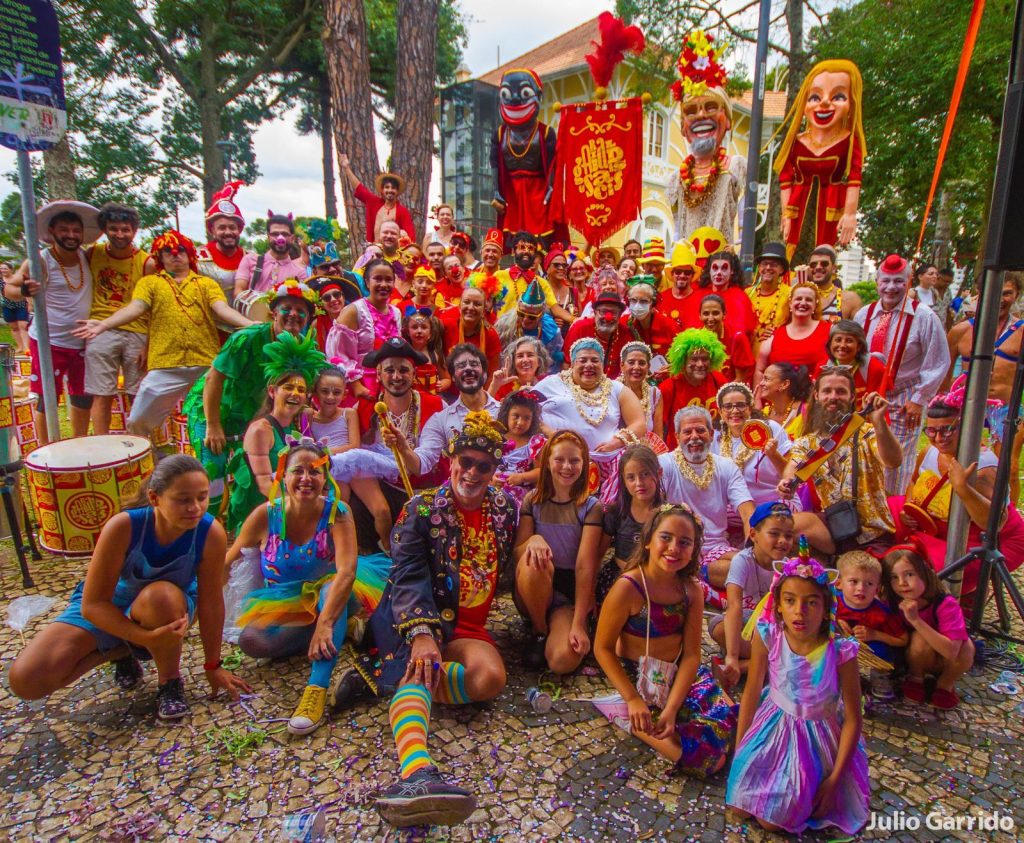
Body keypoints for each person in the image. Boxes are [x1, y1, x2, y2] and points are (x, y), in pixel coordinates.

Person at [332, 412, 517, 828]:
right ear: (450, 460)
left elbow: (515, 549)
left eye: (482, 466)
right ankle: (416, 773)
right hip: (417, 615)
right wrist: (421, 634)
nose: (471, 472)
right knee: (422, 661)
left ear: (493, 470)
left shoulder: (505, 508)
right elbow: (408, 576)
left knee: (491, 680)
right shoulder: (421, 508)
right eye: (464, 462)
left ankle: (383, 674)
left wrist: (537, 539)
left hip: (468, 626)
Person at [8, 456, 251, 719]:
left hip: (167, 607)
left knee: (161, 597)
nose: (195, 507)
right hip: (112, 605)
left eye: (202, 498)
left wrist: (213, 665)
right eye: (183, 499)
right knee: (26, 680)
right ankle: (122, 649)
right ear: (154, 498)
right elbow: (93, 604)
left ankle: (169, 682)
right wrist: (144, 638)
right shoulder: (124, 526)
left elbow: (211, 601)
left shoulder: (209, 532)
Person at [229, 438, 388, 734]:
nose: (306, 478)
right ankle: (344, 630)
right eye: (297, 471)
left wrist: (325, 623)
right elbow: (227, 560)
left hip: (338, 593)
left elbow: (346, 572)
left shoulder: (337, 512)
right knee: (252, 642)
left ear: (325, 478)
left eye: (314, 472)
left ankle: (316, 688)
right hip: (287, 602)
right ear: (284, 475)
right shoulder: (266, 515)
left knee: (329, 592)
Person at [726, 556, 868, 835]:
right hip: (771, 726)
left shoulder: (840, 652)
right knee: (739, 806)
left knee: (773, 819)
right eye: (790, 600)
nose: (799, 612)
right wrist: (741, 748)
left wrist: (836, 779)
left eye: (811, 602)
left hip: (814, 740)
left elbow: (853, 718)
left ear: (826, 606)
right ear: (778, 604)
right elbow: (753, 689)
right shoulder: (768, 636)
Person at [593, 503, 737, 775]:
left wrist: (671, 709)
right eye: (666, 538)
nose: (674, 548)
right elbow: (602, 648)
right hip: (639, 680)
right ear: (648, 541)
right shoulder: (628, 587)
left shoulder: (691, 589)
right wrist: (633, 698)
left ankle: (669, 714)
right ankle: (624, 709)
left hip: (679, 672)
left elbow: (692, 654)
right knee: (706, 761)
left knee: (733, 724)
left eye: (685, 542)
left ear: (694, 549)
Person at [74, 230, 252, 440]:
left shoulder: (205, 284)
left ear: (190, 255)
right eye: (168, 251)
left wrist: (252, 324)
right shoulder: (150, 283)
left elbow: (222, 309)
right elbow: (135, 308)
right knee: (138, 421)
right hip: (166, 365)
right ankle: (147, 461)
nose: (175, 255)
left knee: (212, 420)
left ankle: (208, 465)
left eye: (181, 251)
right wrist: (104, 324)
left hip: (204, 365)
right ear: (159, 256)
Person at [185, 279, 319, 508]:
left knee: (250, 474)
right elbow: (213, 379)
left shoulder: (303, 348)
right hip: (211, 409)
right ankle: (205, 528)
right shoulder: (247, 338)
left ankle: (246, 532)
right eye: (287, 308)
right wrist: (213, 424)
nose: (293, 314)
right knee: (213, 473)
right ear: (273, 313)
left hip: (250, 416)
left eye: (301, 311)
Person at [887, 384, 1024, 599]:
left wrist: (962, 488)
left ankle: (958, 596)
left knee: (921, 570)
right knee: (877, 516)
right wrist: (911, 506)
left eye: (947, 429)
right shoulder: (929, 451)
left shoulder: (984, 468)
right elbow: (914, 481)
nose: (939, 438)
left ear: (967, 426)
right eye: (931, 430)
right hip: (935, 522)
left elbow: (994, 523)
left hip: (981, 537)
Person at [332, 339, 444, 551]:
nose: (396, 377)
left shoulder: (436, 405)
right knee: (355, 509)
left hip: (424, 491)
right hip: (383, 490)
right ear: (379, 374)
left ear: (413, 373)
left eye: (403, 370)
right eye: (389, 370)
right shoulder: (363, 407)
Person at [855, 254, 950, 493]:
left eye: (898, 281)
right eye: (885, 281)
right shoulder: (863, 315)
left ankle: (891, 512)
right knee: (861, 458)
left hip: (904, 397)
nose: (891, 287)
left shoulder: (924, 316)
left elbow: (938, 361)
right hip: (865, 396)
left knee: (895, 462)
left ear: (908, 282)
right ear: (877, 282)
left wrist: (919, 400)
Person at [779, 368, 901, 554]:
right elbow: (794, 465)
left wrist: (879, 422)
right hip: (835, 529)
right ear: (817, 396)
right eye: (827, 391)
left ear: (852, 397)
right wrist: (787, 482)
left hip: (872, 534)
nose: (833, 396)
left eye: (841, 391)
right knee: (780, 528)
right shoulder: (807, 442)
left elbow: (893, 461)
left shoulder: (867, 432)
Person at [7, 200, 100, 441]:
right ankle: (47, 446)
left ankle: (78, 442)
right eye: (64, 230)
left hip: (82, 341)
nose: (71, 235)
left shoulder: (87, 257)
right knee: (48, 395)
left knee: (82, 395)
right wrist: (25, 291)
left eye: (75, 230)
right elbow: (10, 288)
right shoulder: (39, 260)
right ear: (52, 233)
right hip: (49, 341)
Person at [514, 430, 604, 672]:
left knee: (562, 661)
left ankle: (561, 626)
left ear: (584, 464)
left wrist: (577, 623)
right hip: (534, 583)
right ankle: (540, 629)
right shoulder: (532, 501)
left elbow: (586, 565)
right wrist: (534, 539)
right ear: (548, 463)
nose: (566, 467)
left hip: (568, 591)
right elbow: (517, 552)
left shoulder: (591, 507)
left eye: (574, 461)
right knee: (535, 561)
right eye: (559, 460)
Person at [775, 59, 866, 258]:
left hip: (830, 207)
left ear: (851, 103)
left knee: (822, 257)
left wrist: (850, 213)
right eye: (815, 97)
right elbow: (785, 179)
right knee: (791, 256)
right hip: (797, 209)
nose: (825, 102)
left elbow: (854, 178)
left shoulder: (849, 141)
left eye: (838, 96)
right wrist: (786, 215)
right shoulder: (796, 142)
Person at [658, 406, 753, 595]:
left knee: (751, 565)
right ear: (677, 437)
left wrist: (754, 546)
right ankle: (693, 570)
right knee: (744, 570)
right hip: (677, 546)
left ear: (710, 434)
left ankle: (697, 572)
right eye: (687, 432)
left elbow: (746, 508)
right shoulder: (664, 464)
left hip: (715, 547)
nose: (695, 436)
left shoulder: (726, 466)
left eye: (700, 430)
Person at [945, 273, 1024, 501]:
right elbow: (946, 374)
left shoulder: (1020, 332)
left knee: (1008, 469)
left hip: (1006, 408)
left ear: (1016, 295)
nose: (1000, 299)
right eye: (995, 292)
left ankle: (1005, 521)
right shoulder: (961, 331)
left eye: (1007, 293)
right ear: (980, 293)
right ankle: (959, 514)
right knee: (961, 463)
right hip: (967, 405)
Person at [83, 203, 155, 435]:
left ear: (134, 231)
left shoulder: (147, 262)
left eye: (125, 229)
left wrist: (149, 342)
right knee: (102, 392)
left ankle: (140, 443)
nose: (120, 234)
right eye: (114, 228)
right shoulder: (93, 254)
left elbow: (154, 305)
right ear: (105, 229)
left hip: (137, 331)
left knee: (139, 393)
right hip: (101, 328)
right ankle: (102, 442)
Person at [667, 30, 745, 242]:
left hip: (721, 265)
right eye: (691, 111)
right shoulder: (677, 178)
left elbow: (744, 225)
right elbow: (675, 230)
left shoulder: (735, 166)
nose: (701, 115)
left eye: (711, 107)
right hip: (686, 266)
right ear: (684, 127)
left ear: (727, 120)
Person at [226, 358, 319, 533]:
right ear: (272, 391)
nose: (295, 393)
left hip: (288, 503)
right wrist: (298, 514)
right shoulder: (260, 430)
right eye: (288, 388)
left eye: (301, 390)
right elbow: (265, 484)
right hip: (263, 515)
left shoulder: (295, 426)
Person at [708, 501, 795, 689]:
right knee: (718, 626)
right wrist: (731, 654)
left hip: (773, 630)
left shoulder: (788, 568)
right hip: (747, 627)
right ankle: (767, 664)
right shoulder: (743, 560)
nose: (782, 540)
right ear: (754, 535)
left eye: (788, 536)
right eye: (774, 534)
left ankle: (748, 665)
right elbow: (734, 607)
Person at [390, 344, 501, 482]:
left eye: (474, 364)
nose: (468, 369)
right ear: (453, 377)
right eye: (460, 366)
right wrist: (404, 449)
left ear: (484, 373)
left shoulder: (504, 412)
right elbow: (421, 465)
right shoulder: (441, 420)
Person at [884, 541, 975, 709]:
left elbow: (951, 651)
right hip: (912, 656)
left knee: (966, 647)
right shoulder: (891, 601)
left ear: (925, 573)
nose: (902, 582)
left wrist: (916, 620)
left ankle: (945, 683)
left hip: (946, 657)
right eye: (894, 577)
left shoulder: (945, 604)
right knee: (919, 639)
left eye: (909, 574)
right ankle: (916, 677)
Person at [835, 550, 908, 700]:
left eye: (869, 583)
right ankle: (835, 675)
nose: (861, 588)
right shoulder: (832, 603)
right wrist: (835, 622)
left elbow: (903, 639)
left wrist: (875, 635)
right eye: (854, 581)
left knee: (882, 649)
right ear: (839, 583)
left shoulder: (881, 613)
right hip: (838, 648)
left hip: (871, 651)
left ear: (877, 588)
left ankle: (880, 677)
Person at [596, 443, 664, 604]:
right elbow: (598, 554)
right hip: (619, 578)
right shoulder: (616, 513)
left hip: (654, 581)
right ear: (624, 481)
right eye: (631, 477)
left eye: (645, 474)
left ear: (659, 473)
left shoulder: (667, 514)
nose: (639, 482)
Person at [327, 259, 403, 399]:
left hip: (391, 385)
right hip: (360, 388)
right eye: (378, 279)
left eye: (388, 280)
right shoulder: (354, 311)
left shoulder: (396, 313)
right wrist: (357, 386)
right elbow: (338, 355)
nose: (384, 285)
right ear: (367, 282)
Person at [713, 382, 791, 506]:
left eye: (741, 405)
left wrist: (773, 455)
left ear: (750, 408)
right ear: (720, 411)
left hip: (774, 503)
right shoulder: (716, 436)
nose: (735, 411)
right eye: (728, 406)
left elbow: (792, 475)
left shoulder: (770, 429)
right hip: (735, 506)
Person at [659, 328, 727, 450]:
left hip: (714, 451)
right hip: (679, 453)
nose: (700, 364)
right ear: (683, 361)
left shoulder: (718, 380)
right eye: (694, 359)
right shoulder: (669, 387)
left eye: (705, 359)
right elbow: (660, 427)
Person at [755, 282, 832, 387]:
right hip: (776, 401)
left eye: (809, 300)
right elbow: (760, 370)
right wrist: (757, 400)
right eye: (798, 299)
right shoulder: (773, 335)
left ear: (815, 305)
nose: (803, 303)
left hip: (814, 400)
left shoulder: (830, 331)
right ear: (790, 303)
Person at [339, 153, 416, 243]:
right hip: (373, 250)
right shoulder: (373, 202)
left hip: (393, 253)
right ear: (382, 190)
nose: (390, 190)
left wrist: (403, 236)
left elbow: (411, 237)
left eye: (393, 188)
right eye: (387, 187)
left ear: (397, 191)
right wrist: (346, 168)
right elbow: (359, 188)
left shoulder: (403, 212)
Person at [197, 180, 252, 307]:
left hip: (245, 324)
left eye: (232, 227)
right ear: (212, 231)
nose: (228, 232)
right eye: (222, 228)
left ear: (239, 230)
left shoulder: (251, 259)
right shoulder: (196, 257)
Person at [495, 232, 567, 322]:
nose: (526, 251)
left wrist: (574, 319)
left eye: (531, 248)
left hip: (530, 333)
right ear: (513, 251)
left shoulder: (541, 282)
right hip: (503, 333)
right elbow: (486, 304)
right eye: (522, 247)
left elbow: (555, 308)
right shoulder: (499, 276)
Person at [494, 280, 564, 374]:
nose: (525, 319)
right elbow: (497, 359)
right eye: (521, 314)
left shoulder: (551, 332)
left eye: (532, 317)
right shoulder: (503, 326)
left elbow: (553, 366)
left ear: (541, 315)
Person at [493, 389, 545, 506]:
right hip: (492, 494)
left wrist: (521, 477)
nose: (520, 422)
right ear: (506, 414)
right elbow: (484, 464)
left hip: (521, 499)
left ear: (533, 420)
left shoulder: (535, 442)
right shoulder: (495, 438)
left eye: (527, 418)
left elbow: (541, 471)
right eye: (516, 416)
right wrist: (491, 478)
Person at [234, 214, 306, 296]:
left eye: (285, 234)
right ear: (268, 237)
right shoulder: (250, 260)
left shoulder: (299, 273)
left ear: (292, 238)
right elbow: (238, 291)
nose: (280, 238)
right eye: (275, 234)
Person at [439, 285, 501, 378]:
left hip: (477, 389)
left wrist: (484, 393)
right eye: (466, 302)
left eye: (477, 304)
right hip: (448, 389)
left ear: (484, 310)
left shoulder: (490, 335)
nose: (471, 307)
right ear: (459, 306)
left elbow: (492, 374)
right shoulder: (446, 326)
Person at [563, 291, 628, 379]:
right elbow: (567, 364)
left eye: (613, 313)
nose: (608, 317)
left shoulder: (626, 333)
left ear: (620, 315)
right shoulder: (579, 328)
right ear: (595, 312)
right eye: (603, 311)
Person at [698, 250, 756, 338]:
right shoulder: (698, 295)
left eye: (724, 268)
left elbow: (746, 332)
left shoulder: (740, 297)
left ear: (731, 271)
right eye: (715, 268)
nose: (719, 273)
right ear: (709, 271)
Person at [747, 242, 791, 354]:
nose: (768, 268)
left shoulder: (790, 294)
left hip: (776, 354)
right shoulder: (747, 293)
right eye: (764, 264)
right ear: (759, 267)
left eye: (774, 264)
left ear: (782, 269)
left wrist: (778, 333)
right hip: (749, 354)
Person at [699, 294, 754, 384]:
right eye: (706, 313)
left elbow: (741, 380)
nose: (710, 318)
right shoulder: (695, 339)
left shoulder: (737, 338)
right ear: (700, 316)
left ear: (724, 315)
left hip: (730, 392)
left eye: (715, 313)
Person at [619, 341, 666, 444]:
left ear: (648, 366)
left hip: (644, 454)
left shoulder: (654, 394)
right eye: (631, 362)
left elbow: (658, 436)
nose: (636, 367)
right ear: (622, 365)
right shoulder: (612, 390)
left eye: (642, 363)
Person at [306, 367, 360, 454]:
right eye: (324, 391)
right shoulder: (310, 418)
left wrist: (323, 453)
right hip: (321, 464)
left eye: (337, 392)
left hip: (348, 462)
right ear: (315, 392)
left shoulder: (348, 414)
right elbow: (310, 448)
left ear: (344, 395)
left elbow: (355, 446)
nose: (330, 397)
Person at [621, 277, 676, 359]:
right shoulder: (623, 323)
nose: (637, 305)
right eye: (633, 300)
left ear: (653, 303)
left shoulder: (669, 327)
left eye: (643, 301)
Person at [755, 361, 812, 437]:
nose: (761, 383)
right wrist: (755, 413)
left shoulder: (805, 411)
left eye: (766, 379)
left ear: (784, 384)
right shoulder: (764, 412)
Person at [402, 308, 450, 395]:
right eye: (414, 327)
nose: (419, 331)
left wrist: (442, 384)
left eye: (424, 327)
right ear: (408, 332)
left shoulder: (435, 355)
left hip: (431, 398)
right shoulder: (403, 355)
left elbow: (447, 379)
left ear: (430, 333)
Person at [488, 335, 551, 401]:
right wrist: (494, 385)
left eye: (530, 355)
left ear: (539, 361)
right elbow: (484, 409)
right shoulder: (503, 384)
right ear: (513, 362)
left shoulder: (547, 382)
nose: (525, 360)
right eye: (520, 356)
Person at [808, 244, 861, 322]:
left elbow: (858, 332)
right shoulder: (799, 298)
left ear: (833, 268)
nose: (818, 267)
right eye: (813, 264)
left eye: (824, 263)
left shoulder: (849, 299)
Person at [661, 241, 704, 333]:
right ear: (672, 274)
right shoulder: (661, 298)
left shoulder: (702, 300)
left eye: (687, 273)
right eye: (678, 272)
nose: (682, 275)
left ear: (692, 275)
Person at [0, 261, 30, 352]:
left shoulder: (17, 279)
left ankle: (27, 347)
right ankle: (20, 346)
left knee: (23, 325)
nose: (3, 270)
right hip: (7, 306)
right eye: (1, 268)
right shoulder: (0, 280)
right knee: (14, 327)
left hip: (21, 305)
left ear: (11, 269)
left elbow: (26, 291)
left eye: (5, 268)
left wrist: (29, 304)